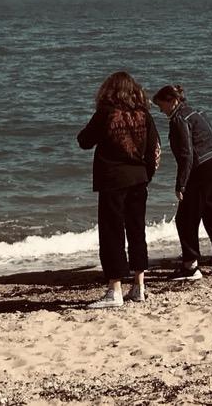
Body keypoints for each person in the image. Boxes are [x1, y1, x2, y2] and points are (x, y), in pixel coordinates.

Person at [77, 70, 161, 308]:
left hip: (112, 180)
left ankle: (114, 289)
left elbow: (84, 141)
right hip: (139, 179)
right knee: (137, 231)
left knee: (112, 232)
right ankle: (139, 286)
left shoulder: (105, 113)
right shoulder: (144, 114)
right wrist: (146, 174)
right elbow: (155, 149)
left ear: (109, 91)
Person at [153, 85, 212, 280]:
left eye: (161, 104)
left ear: (172, 100)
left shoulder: (178, 118)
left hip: (200, 169)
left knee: (185, 219)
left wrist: (181, 183)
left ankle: (191, 266)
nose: (160, 109)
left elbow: (186, 154)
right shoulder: (197, 112)